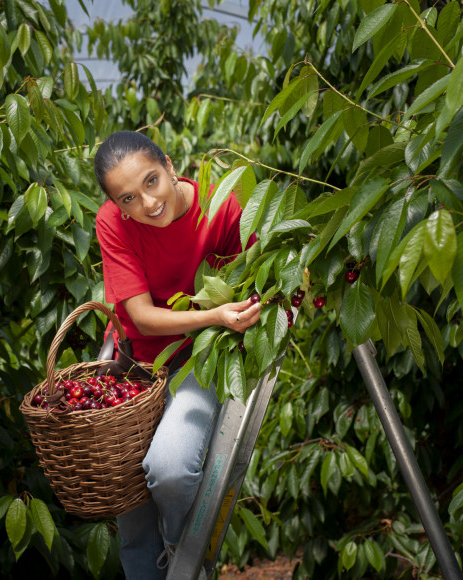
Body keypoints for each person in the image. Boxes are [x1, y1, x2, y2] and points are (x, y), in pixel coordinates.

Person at [94, 130, 261, 579]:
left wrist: (232, 317)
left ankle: (178, 556)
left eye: (151, 181)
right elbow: (143, 318)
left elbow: (263, 278)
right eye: (128, 198)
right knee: (129, 501)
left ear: (169, 165)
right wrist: (215, 315)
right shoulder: (111, 221)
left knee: (169, 469)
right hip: (136, 363)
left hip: (202, 357)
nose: (146, 204)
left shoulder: (221, 205)